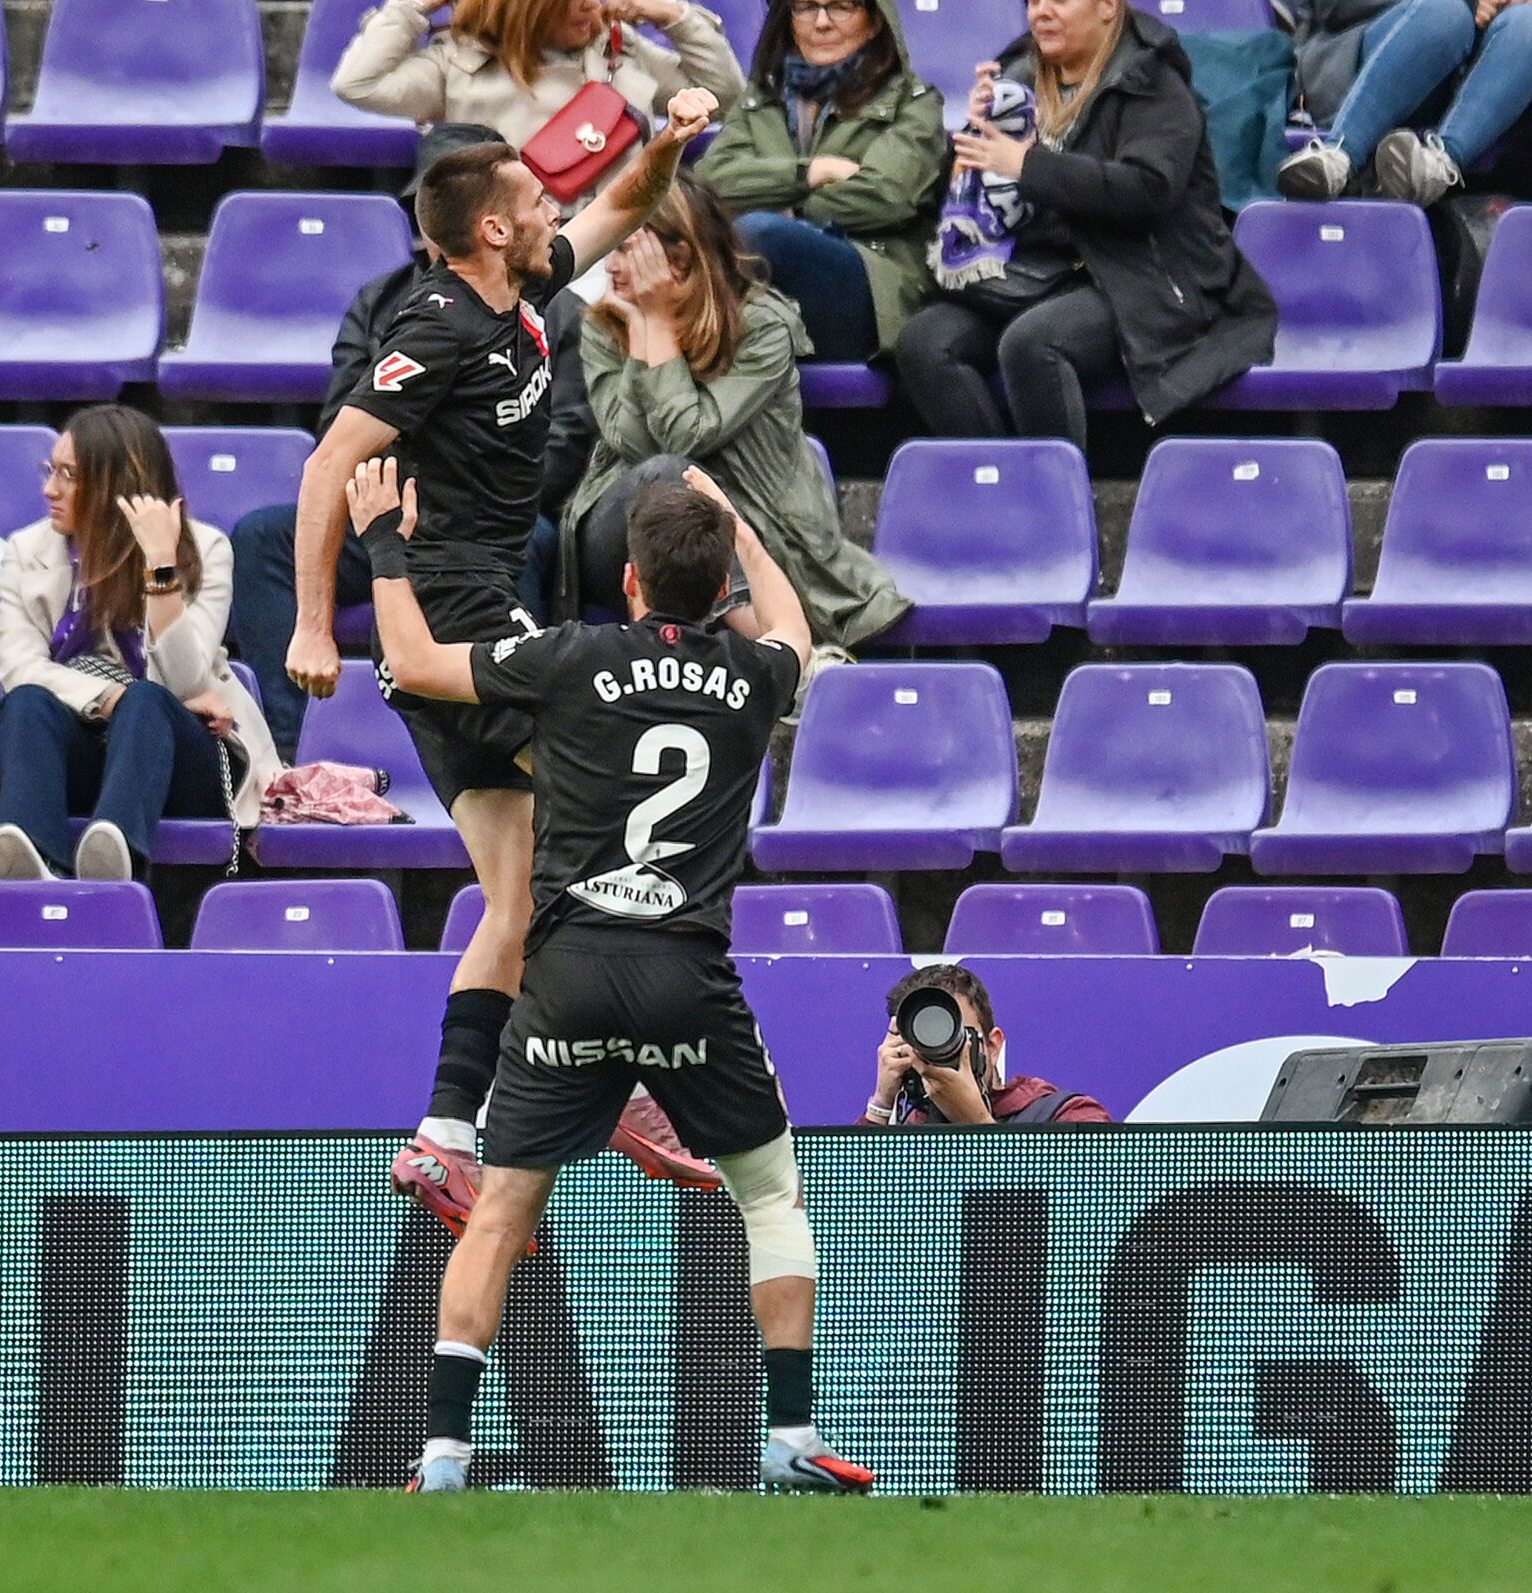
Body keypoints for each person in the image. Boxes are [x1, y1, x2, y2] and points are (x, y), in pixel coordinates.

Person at [344, 456, 874, 1494]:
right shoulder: (755, 676)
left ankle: (445, 1452)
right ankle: (790, 1439)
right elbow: (797, 633)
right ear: (720, 587)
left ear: (628, 580)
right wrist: (741, 529)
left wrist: (381, 538)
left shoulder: (569, 656)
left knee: (498, 1210)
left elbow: (409, 662)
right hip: (686, 976)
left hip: (569, 972)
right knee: (767, 1194)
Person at [289, 96, 725, 1233]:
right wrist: (306, 625)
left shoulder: (513, 287)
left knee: (521, 898)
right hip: (457, 613)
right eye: (534, 201)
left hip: (471, 616)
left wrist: (668, 142)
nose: (554, 211)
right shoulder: (435, 328)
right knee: (630, 781)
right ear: (489, 231)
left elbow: (622, 196)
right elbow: (329, 459)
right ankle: (621, 1082)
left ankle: (442, 1138)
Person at [230, 122, 586, 761]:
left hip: (494, 514)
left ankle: (495, 671)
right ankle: (288, 753)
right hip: (397, 516)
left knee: (534, 537)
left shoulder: (540, 292)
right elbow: (337, 435)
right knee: (261, 535)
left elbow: (571, 430)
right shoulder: (394, 303)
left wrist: (477, 449)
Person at [892, 0, 1277, 450]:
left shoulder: (1150, 81)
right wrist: (969, 155)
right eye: (1034, 1)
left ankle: (1056, 505)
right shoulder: (1016, 77)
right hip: (1040, 271)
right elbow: (979, 197)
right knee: (924, 342)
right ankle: (1001, 496)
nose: (1042, 12)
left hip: (1141, 277)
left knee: (1032, 344)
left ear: (1109, 7)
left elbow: (1148, 190)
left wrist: (1028, 166)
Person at [568, 170, 911, 649]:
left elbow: (688, 433)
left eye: (627, 250)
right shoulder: (605, 327)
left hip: (754, 527)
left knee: (684, 482)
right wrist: (649, 324)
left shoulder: (763, 326)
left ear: (680, 257)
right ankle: (788, 657)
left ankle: (762, 648)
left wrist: (657, 327)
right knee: (668, 476)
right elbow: (636, 445)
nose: (610, 268)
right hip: (622, 528)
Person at [0, 408, 282, 884]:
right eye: (51, 471)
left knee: (147, 701)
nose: (50, 490)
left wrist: (161, 566)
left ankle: (115, 859)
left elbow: (182, 680)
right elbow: (19, 668)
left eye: (69, 476)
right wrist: (112, 699)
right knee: (25, 703)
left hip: (181, 760)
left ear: (116, 484)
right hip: (84, 746)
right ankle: (33, 866)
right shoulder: (27, 550)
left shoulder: (206, 550)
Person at [696, 0, 946, 363]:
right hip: (762, 281)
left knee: (762, 233)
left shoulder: (912, 102)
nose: (822, 22)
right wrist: (812, 172)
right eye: (806, 7)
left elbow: (887, 196)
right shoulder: (761, 99)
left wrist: (787, 209)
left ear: (875, 22)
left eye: (841, 7)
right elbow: (710, 183)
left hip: (869, 284)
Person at [333, 0, 745, 163]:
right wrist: (415, 6)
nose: (592, 5)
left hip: (622, 248)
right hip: (519, 254)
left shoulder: (618, 49)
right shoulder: (457, 65)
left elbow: (722, 95)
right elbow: (358, 85)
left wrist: (674, 16)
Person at [1277, 0, 1532, 206]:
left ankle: (1435, 168)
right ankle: (1338, 156)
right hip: (1378, 52)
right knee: (1445, 12)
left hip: (1476, 85)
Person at [864, 963, 1113, 1125]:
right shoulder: (914, 1125)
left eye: (955, 1036)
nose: (939, 1053)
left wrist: (976, 1122)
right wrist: (880, 1106)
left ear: (992, 1047)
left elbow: (1096, 1197)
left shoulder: (1063, 1115)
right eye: (925, 1043)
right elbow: (851, 1200)